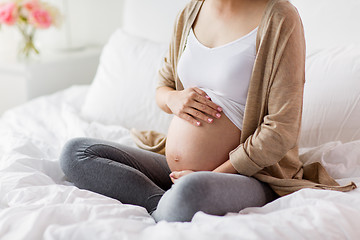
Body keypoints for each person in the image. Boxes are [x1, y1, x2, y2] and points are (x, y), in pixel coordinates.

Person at [59, 0, 356, 223]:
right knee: (76, 153)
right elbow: (162, 86)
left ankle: (174, 201)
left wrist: (213, 174)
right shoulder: (192, 10)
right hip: (174, 171)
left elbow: (281, 129)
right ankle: (161, 204)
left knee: (192, 191)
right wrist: (174, 100)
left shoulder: (279, 17)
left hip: (248, 177)